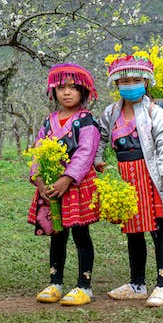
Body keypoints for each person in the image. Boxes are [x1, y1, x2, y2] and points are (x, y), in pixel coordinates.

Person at [96, 55, 163, 307]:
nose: (130, 84)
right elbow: (99, 138)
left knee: (158, 230)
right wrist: (99, 160)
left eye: (135, 79)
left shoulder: (155, 112)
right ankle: (137, 284)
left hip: (149, 177)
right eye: (124, 80)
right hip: (124, 180)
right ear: (116, 84)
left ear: (146, 82)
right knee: (133, 232)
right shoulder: (111, 113)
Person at [27, 63, 101, 306]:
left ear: (83, 92)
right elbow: (38, 151)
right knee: (56, 234)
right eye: (61, 88)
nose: (66, 93)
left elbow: (86, 152)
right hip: (50, 188)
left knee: (81, 234)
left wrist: (66, 179)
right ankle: (55, 282)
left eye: (72, 88)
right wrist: (39, 180)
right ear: (53, 91)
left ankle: (84, 285)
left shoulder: (86, 120)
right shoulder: (49, 122)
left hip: (75, 187)